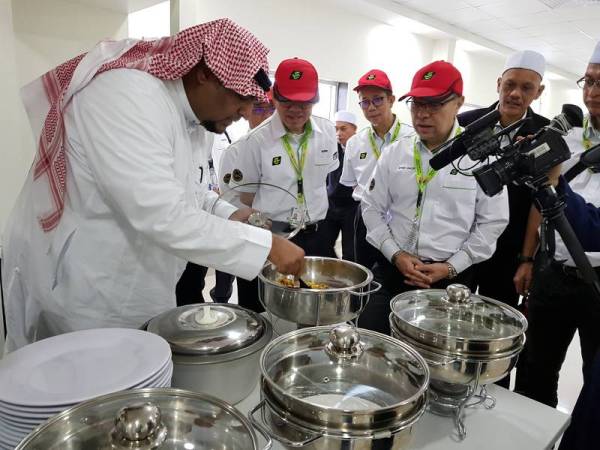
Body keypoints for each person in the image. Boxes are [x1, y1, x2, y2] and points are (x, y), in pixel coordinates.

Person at [1, 19, 304, 352]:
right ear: (203, 73)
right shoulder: (126, 96)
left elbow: (193, 191)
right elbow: (161, 212)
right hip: (89, 296)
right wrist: (266, 247)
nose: (246, 111)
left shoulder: (195, 119)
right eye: (240, 97)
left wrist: (231, 214)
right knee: (91, 392)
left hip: (139, 286)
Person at [359, 61, 509, 335]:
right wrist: (396, 253)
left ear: (459, 103)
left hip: (449, 281)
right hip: (395, 268)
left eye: (435, 104)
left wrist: (451, 267)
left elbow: (492, 223)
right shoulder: (396, 153)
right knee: (371, 341)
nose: (423, 115)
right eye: (417, 104)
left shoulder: (481, 157)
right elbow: (370, 207)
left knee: (434, 364)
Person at [458, 50, 549, 389]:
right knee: (454, 322)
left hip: (510, 251)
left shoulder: (545, 135)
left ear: (538, 92)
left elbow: (542, 201)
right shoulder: (466, 123)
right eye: (510, 84)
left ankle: (493, 394)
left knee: (498, 331)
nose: (516, 93)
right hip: (462, 244)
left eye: (527, 88)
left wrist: (527, 259)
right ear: (498, 84)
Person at [518, 42, 600, 409]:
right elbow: (542, 199)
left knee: (594, 376)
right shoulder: (567, 136)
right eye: (590, 81)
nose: (593, 93)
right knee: (535, 370)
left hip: (597, 283)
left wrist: (555, 184)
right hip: (554, 273)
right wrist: (527, 258)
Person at [230, 57, 338, 312]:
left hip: (317, 236)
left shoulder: (328, 133)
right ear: (274, 98)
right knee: (264, 311)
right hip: (272, 237)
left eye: (305, 103)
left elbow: (324, 181)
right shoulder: (255, 142)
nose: (296, 110)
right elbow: (243, 199)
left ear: (315, 100)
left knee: (316, 311)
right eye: (288, 102)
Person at [340, 69, 414, 268]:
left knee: (398, 271)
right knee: (362, 272)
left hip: (402, 217)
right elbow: (351, 183)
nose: (371, 107)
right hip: (365, 217)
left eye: (378, 99)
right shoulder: (355, 143)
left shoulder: (412, 138)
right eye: (365, 102)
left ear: (391, 99)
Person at [321, 110, 359, 260]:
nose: (338, 133)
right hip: (330, 205)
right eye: (335, 129)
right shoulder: (330, 148)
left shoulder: (360, 148)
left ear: (354, 129)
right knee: (323, 246)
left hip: (352, 207)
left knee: (350, 251)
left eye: (343, 129)